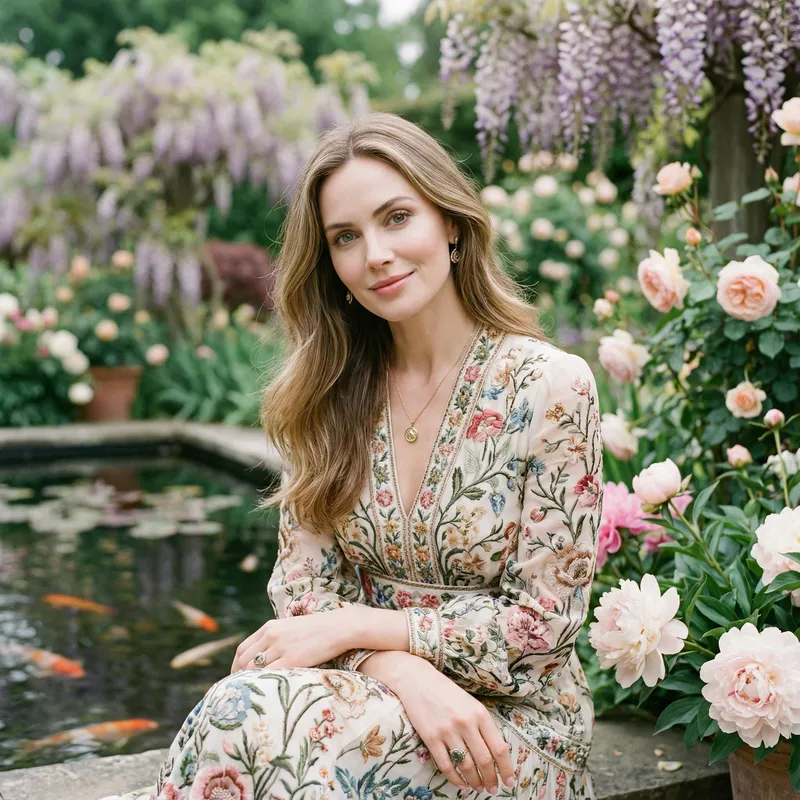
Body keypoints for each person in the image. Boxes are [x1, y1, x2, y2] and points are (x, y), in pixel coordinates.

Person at [112, 111, 603, 800]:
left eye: (397, 217)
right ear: (332, 264)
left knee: (256, 731)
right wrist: (393, 666)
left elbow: (541, 625)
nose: (375, 253)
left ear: (452, 223)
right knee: (244, 723)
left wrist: (358, 626)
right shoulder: (331, 393)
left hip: (507, 728)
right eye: (347, 237)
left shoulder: (550, 386)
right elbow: (301, 591)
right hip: (362, 686)